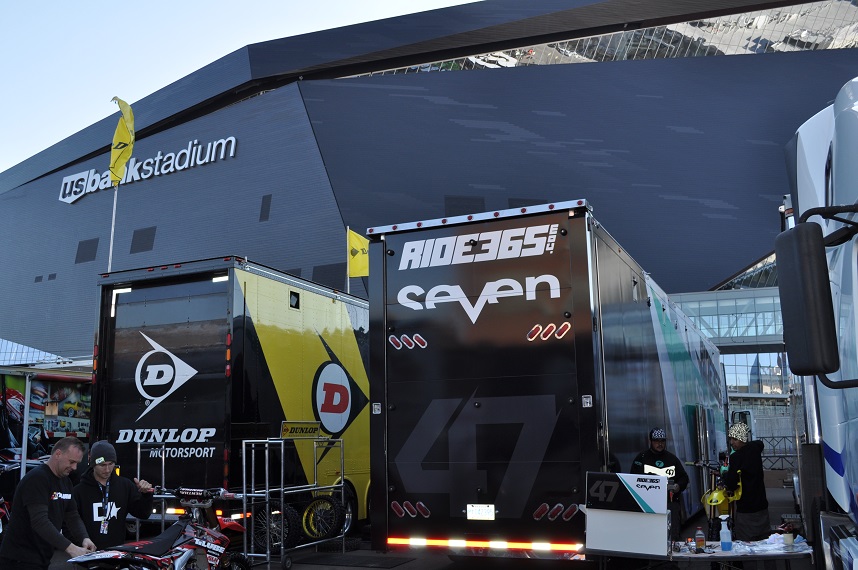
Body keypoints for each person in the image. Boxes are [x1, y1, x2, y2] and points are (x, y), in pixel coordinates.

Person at [0, 436, 96, 569]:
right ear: (58, 454)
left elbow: (72, 515)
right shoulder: (37, 479)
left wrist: (84, 538)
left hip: (41, 558)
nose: (74, 467)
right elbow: (39, 521)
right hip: (19, 559)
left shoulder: (66, 482)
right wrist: (71, 548)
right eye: (72, 462)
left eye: (77, 463)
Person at [73, 440, 154, 550]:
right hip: (88, 554)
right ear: (93, 464)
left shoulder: (125, 485)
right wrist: (80, 542)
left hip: (116, 553)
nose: (107, 470)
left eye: (111, 464)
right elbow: (71, 523)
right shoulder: (79, 491)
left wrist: (146, 495)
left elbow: (143, 514)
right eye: (102, 465)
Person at [631, 427, 690, 541]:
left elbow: (684, 477)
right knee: (650, 536)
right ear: (650, 441)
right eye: (656, 441)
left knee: (673, 536)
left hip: (670, 503)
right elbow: (633, 479)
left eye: (662, 441)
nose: (660, 444)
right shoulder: (641, 459)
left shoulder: (672, 459)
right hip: (647, 505)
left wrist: (678, 486)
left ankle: (672, 557)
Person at [723, 422, 770, 541]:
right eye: (730, 439)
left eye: (735, 439)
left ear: (743, 438)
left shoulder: (736, 457)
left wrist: (725, 475)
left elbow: (731, 484)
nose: (732, 442)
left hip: (746, 508)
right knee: (765, 543)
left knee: (746, 545)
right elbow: (760, 443)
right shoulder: (755, 449)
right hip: (762, 505)